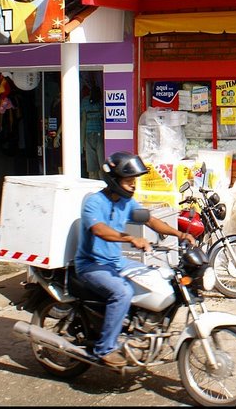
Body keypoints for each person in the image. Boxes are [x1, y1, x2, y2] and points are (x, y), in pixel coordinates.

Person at [74, 151, 195, 367]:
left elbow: (150, 220)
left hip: (117, 263)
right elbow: (99, 230)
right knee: (122, 292)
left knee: (160, 278)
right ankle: (105, 348)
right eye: (129, 181)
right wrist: (129, 237)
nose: (133, 186)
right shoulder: (94, 202)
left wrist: (180, 234)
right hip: (92, 265)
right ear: (115, 180)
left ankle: (141, 330)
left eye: (134, 181)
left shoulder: (127, 203)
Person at [81, 84, 104, 179]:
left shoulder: (85, 101)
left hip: (89, 135)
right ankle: (103, 189)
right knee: (101, 168)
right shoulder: (101, 101)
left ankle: (94, 189)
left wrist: (82, 141)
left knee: (92, 169)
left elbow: (83, 121)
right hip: (100, 135)